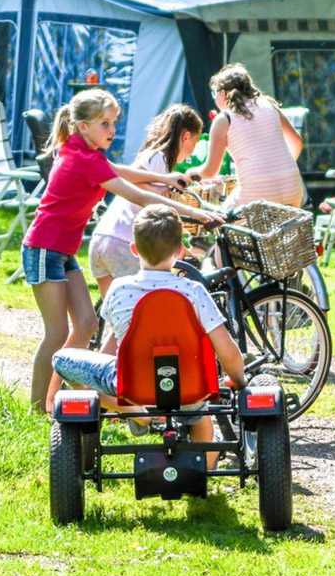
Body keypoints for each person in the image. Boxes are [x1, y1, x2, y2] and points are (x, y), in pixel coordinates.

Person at [21, 89, 223, 414]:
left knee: (87, 324)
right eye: (105, 123)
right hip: (44, 249)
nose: (112, 129)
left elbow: (117, 170)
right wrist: (195, 213)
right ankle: (37, 409)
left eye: (114, 122)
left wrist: (162, 177)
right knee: (57, 332)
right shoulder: (84, 159)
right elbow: (138, 195)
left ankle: (75, 394)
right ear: (83, 126)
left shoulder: (81, 149)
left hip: (63, 252)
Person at [52, 205, 247, 463]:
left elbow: (116, 343)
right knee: (200, 417)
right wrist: (239, 380)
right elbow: (227, 351)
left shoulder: (119, 289)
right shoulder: (194, 291)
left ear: (134, 249)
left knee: (62, 359)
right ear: (179, 250)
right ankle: (205, 470)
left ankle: (135, 411)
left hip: (131, 386)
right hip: (189, 388)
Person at [89, 104, 202, 298]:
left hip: (102, 238)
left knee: (114, 310)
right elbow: (151, 207)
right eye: (195, 141)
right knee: (139, 308)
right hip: (123, 242)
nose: (192, 151)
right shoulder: (159, 159)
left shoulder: (151, 156)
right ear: (185, 136)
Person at [189, 63, 304, 209]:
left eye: (214, 93)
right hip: (293, 187)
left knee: (221, 218)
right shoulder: (269, 105)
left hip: (258, 193)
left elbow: (210, 171)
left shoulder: (224, 119)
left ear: (223, 94)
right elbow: (297, 142)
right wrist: (278, 170)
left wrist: (190, 173)